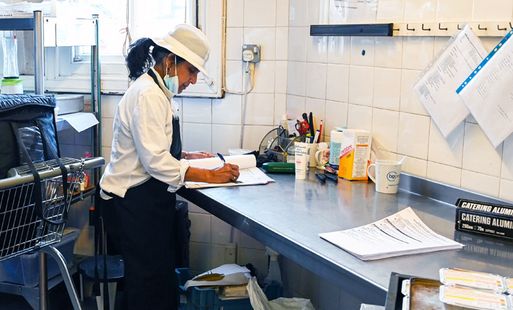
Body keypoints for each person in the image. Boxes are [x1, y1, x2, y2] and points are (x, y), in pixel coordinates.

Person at [99, 24, 239, 310]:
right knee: (147, 286)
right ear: (169, 62)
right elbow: (154, 161)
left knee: (153, 281)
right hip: (130, 202)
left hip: (143, 200)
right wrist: (210, 176)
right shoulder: (148, 95)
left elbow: (153, 148)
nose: (194, 80)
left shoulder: (159, 92)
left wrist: (186, 155)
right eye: (191, 71)